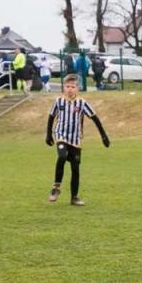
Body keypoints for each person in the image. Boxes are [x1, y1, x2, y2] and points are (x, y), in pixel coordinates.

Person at [45, 73, 111, 207]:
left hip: (76, 139)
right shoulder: (59, 101)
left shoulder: (82, 103)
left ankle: (74, 197)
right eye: (67, 86)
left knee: (75, 168)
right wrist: (48, 134)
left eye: (73, 87)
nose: (70, 89)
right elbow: (51, 117)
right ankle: (56, 187)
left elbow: (95, 118)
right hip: (61, 135)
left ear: (77, 88)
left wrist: (104, 136)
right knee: (62, 156)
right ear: (64, 88)